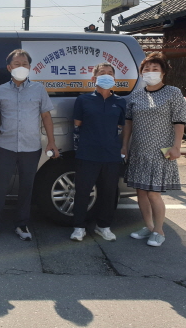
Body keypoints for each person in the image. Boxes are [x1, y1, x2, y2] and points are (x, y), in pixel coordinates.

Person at [0, 49, 59, 241]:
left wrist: (51, 142)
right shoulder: (1, 91)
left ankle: (21, 224)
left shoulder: (38, 89)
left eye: (25, 64)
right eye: (17, 64)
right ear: (9, 68)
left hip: (31, 147)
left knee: (26, 187)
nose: (21, 67)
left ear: (30, 67)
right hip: (5, 146)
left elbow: (46, 116)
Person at [122, 52, 186, 247]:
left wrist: (177, 147)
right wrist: (124, 145)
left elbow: (179, 121)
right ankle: (149, 226)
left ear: (163, 72)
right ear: (141, 72)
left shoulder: (173, 93)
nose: (150, 72)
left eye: (155, 69)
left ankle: (159, 231)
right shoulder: (136, 95)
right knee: (141, 192)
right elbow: (128, 123)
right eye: (146, 69)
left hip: (160, 151)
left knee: (153, 193)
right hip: (139, 150)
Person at [70, 62, 126, 242]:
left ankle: (103, 226)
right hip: (87, 154)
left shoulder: (120, 102)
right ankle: (79, 227)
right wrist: (80, 149)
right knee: (82, 191)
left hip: (111, 155)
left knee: (109, 193)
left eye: (110, 73)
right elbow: (77, 126)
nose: (106, 75)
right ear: (94, 78)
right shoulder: (83, 100)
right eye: (102, 73)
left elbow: (120, 127)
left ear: (114, 78)